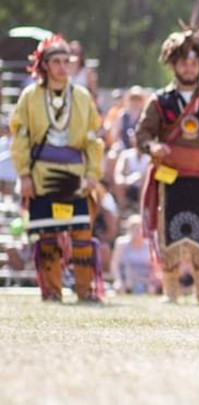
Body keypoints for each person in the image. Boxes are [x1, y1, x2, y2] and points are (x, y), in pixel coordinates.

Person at [136, 25, 199, 304]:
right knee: (170, 232)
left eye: (194, 62)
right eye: (183, 62)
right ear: (173, 64)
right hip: (170, 178)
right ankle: (171, 292)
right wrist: (152, 146)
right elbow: (142, 133)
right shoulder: (160, 101)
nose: (189, 68)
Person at [9, 34, 105, 302]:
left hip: (75, 175)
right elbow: (21, 138)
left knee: (82, 235)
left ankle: (86, 291)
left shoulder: (82, 97)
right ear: (44, 65)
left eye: (67, 61)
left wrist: (92, 175)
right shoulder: (30, 96)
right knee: (48, 236)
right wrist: (25, 175)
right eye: (57, 61)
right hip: (41, 174)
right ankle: (51, 291)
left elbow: (92, 141)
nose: (63, 67)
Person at [111, 214, 160, 294]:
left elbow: (154, 267)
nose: (137, 231)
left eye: (139, 228)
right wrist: (118, 280)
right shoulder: (121, 243)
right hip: (126, 279)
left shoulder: (150, 244)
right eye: (134, 228)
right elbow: (115, 263)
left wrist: (151, 281)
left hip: (146, 280)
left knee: (152, 289)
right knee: (119, 288)